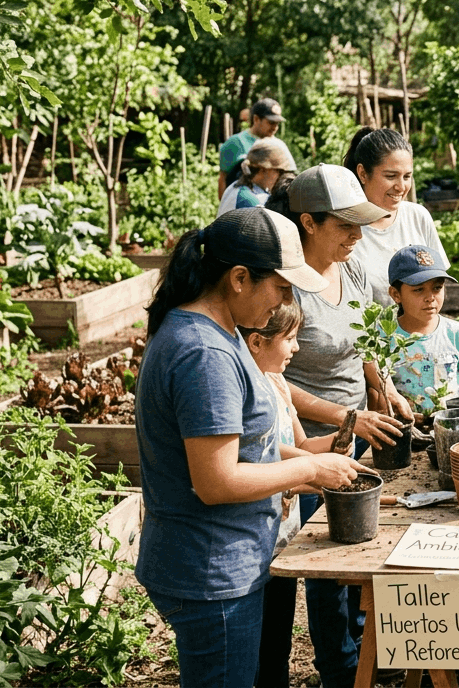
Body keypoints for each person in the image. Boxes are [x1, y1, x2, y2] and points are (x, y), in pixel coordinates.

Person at [134, 208, 369, 688]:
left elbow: (248, 449)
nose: (287, 299)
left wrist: (310, 463)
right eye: (282, 288)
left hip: (225, 562)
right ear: (239, 278)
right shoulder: (205, 354)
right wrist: (313, 471)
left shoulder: (218, 332)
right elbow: (217, 480)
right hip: (212, 570)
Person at [265, 165, 407, 688]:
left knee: (358, 550)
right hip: (298, 445)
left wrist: (382, 386)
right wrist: (344, 417)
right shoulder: (284, 288)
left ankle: (366, 653)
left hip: (355, 434)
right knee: (323, 563)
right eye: (344, 225)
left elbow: (366, 342)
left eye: (359, 224)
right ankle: (340, 671)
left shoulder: (352, 272)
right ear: (307, 222)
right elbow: (273, 377)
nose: (356, 235)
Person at [238, 302, 351, 688]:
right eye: (289, 338)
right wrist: (316, 473)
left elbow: (301, 442)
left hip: (284, 530)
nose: (297, 348)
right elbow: (268, 457)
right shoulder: (247, 394)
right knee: (262, 641)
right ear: (256, 341)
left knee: (279, 637)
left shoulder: (278, 382)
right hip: (258, 536)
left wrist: (334, 444)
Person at [344, 127, 450, 308]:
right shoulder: (345, 228)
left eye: (407, 176)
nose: (401, 187)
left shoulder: (418, 216)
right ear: (362, 173)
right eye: (391, 176)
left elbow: (437, 284)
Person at [386, 245, 459, 415]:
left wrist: (448, 413)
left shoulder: (456, 334)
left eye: (437, 288)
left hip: (450, 428)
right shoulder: (384, 338)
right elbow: (377, 394)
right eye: (418, 289)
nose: (430, 298)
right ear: (396, 294)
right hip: (403, 431)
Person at [218, 137, 296, 217]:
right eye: (279, 171)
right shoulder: (251, 202)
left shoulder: (237, 186)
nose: (281, 176)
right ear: (264, 169)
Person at [220, 99, 284, 196]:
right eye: (271, 122)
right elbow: (223, 178)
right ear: (256, 119)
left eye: (277, 123)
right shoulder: (235, 143)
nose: (275, 127)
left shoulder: (279, 146)